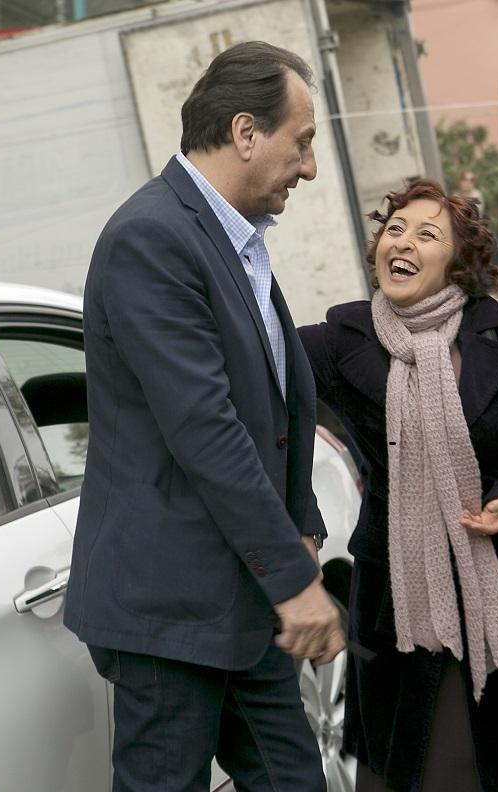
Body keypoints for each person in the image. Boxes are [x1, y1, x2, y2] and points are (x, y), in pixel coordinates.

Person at [65, 42, 345, 792]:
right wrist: (294, 581)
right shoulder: (152, 237)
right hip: (172, 611)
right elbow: (207, 429)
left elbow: (273, 403)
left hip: (243, 596)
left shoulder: (231, 237)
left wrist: (300, 523)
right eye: (303, 142)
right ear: (246, 132)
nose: (311, 167)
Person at [298, 179, 498, 792]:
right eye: (396, 229)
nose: (403, 242)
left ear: (458, 262)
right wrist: (301, 523)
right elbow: (256, 389)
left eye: (427, 234)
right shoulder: (340, 340)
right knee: (425, 768)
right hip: (402, 609)